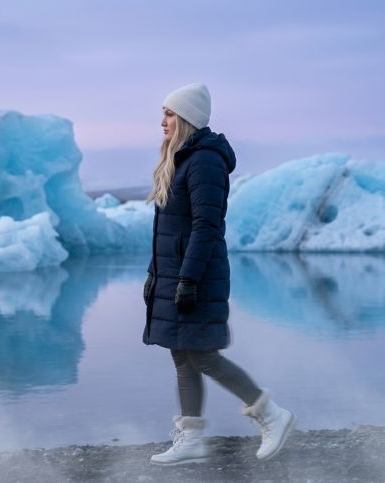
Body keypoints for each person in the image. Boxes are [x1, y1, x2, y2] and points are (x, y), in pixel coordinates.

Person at [142, 83, 296, 466]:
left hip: (197, 275)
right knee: (183, 355)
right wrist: (155, 275)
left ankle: (272, 415)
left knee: (204, 355)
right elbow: (171, 230)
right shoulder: (181, 158)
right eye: (163, 113)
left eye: (170, 114)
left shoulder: (204, 161)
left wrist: (189, 279)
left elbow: (206, 226)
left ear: (188, 119)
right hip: (177, 273)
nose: (163, 121)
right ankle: (191, 438)